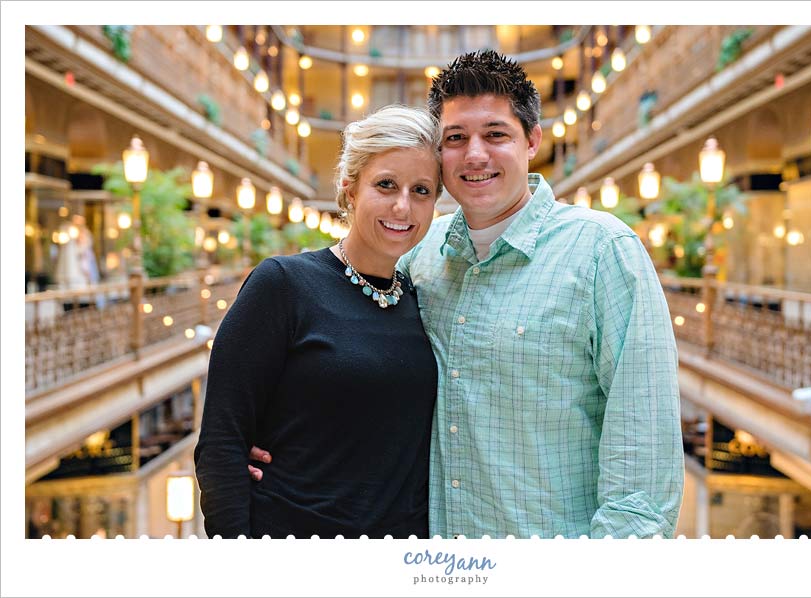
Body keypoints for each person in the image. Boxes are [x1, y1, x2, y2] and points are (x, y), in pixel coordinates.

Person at [252, 50, 684, 539]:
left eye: (495, 134)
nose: (474, 154)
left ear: (532, 141)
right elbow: (348, 355)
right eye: (455, 138)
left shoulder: (603, 251)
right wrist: (277, 435)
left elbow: (643, 463)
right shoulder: (420, 253)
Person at [194, 105, 443, 539]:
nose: (403, 206)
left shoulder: (424, 300)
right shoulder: (282, 285)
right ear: (350, 191)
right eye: (386, 184)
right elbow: (221, 446)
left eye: (421, 190)